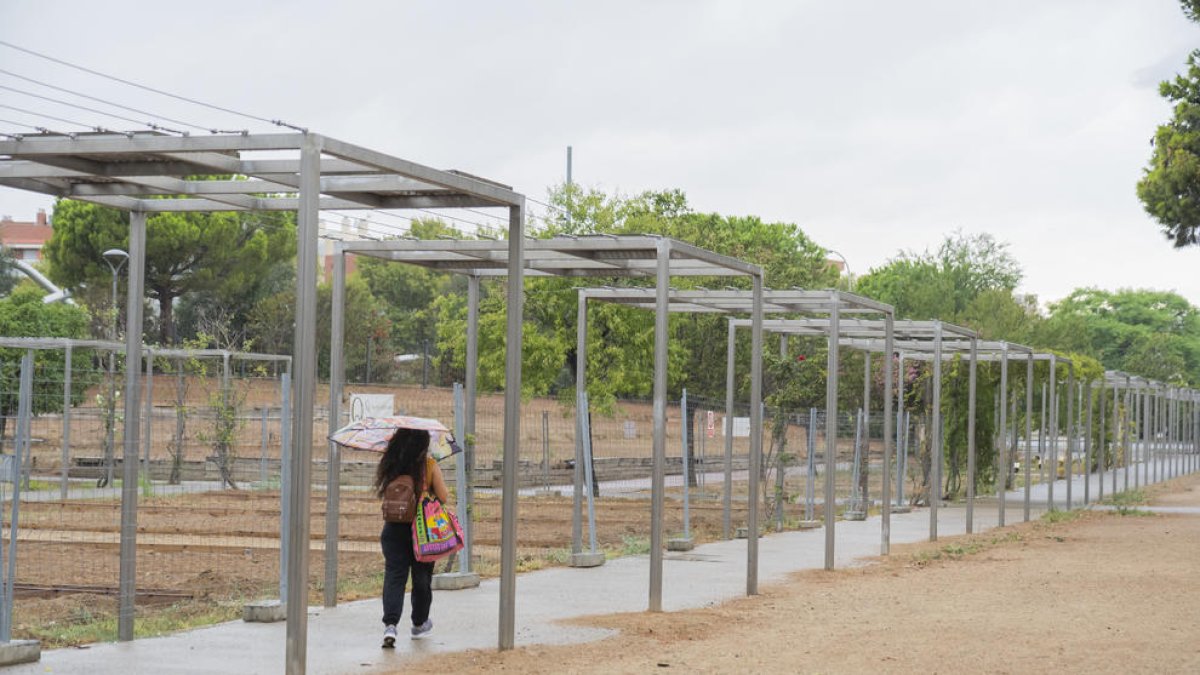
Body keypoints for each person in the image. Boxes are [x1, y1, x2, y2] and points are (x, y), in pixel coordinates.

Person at [373, 427, 450, 648]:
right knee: (421, 577)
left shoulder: (391, 465)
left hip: (393, 528)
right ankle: (419, 624)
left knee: (395, 577)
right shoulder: (429, 465)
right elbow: (443, 496)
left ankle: (390, 625)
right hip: (422, 531)